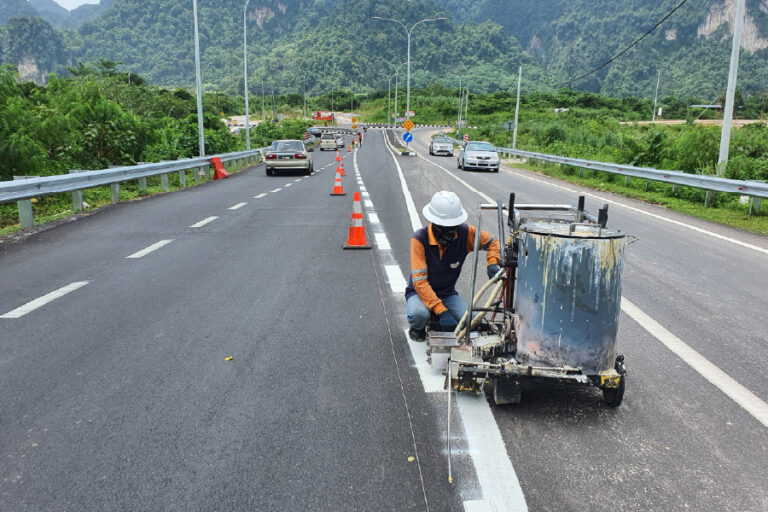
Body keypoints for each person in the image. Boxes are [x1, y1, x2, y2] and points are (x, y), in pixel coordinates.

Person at [405, 191, 501, 342]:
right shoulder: (419, 239)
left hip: (447, 294)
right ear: (434, 222)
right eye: (444, 226)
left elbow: (493, 242)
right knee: (419, 315)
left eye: (452, 226)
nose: (449, 231)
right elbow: (420, 282)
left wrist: (493, 262)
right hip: (419, 293)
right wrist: (442, 311)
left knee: (473, 320)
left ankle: (436, 314)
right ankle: (418, 327)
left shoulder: (464, 233)